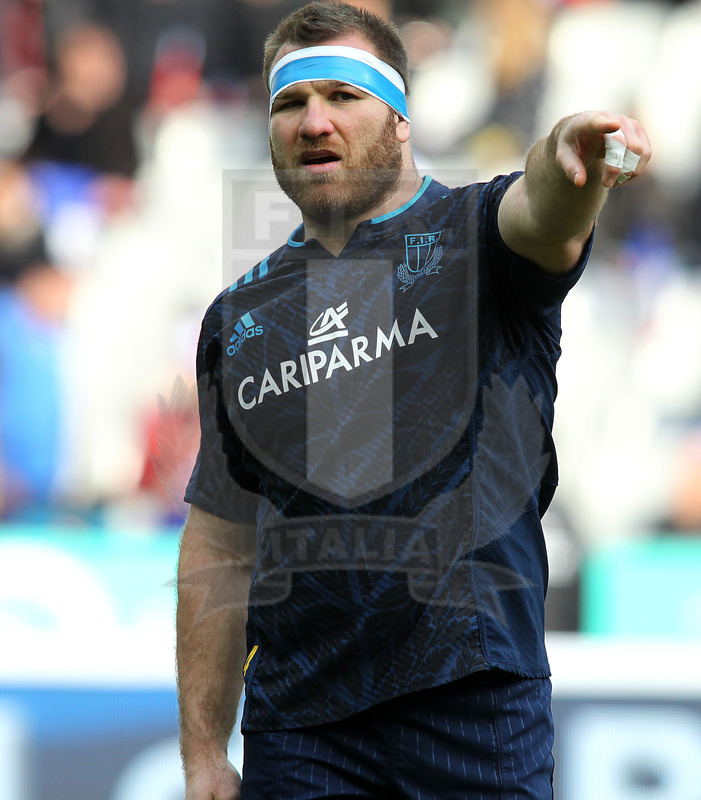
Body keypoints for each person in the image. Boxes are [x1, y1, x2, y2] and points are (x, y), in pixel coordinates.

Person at [176, 3, 652, 799]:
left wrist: (564, 155)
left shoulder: (475, 235)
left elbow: (543, 211)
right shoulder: (240, 317)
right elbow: (220, 543)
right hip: (299, 729)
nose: (314, 121)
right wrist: (202, 751)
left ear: (400, 120)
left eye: (342, 95)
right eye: (290, 103)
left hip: (472, 700)